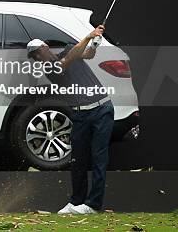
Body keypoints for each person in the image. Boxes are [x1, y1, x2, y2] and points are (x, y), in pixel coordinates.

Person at [27, 24, 113, 215]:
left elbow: (87, 54)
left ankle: (93, 205)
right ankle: (76, 202)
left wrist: (95, 42)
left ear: (46, 47)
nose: (38, 57)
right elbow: (67, 61)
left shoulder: (68, 50)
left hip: (102, 108)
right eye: (34, 57)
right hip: (81, 114)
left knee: (99, 158)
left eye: (38, 52)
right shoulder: (49, 68)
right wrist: (89, 36)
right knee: (78, 160)